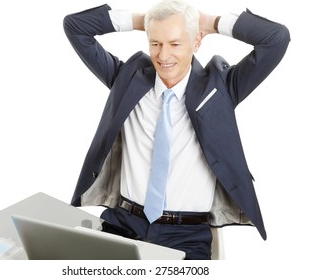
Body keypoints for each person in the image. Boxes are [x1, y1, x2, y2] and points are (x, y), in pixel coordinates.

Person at [63, 0, 290, 259]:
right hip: (123, 224)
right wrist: (145, 21)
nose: (163, 55)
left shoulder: (221, 89)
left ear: (196, 42)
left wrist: (213, 22)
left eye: (175, 43)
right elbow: (75, 26)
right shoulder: (127, 80)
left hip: (185, 236)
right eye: (155, 43)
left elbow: (276, 39)